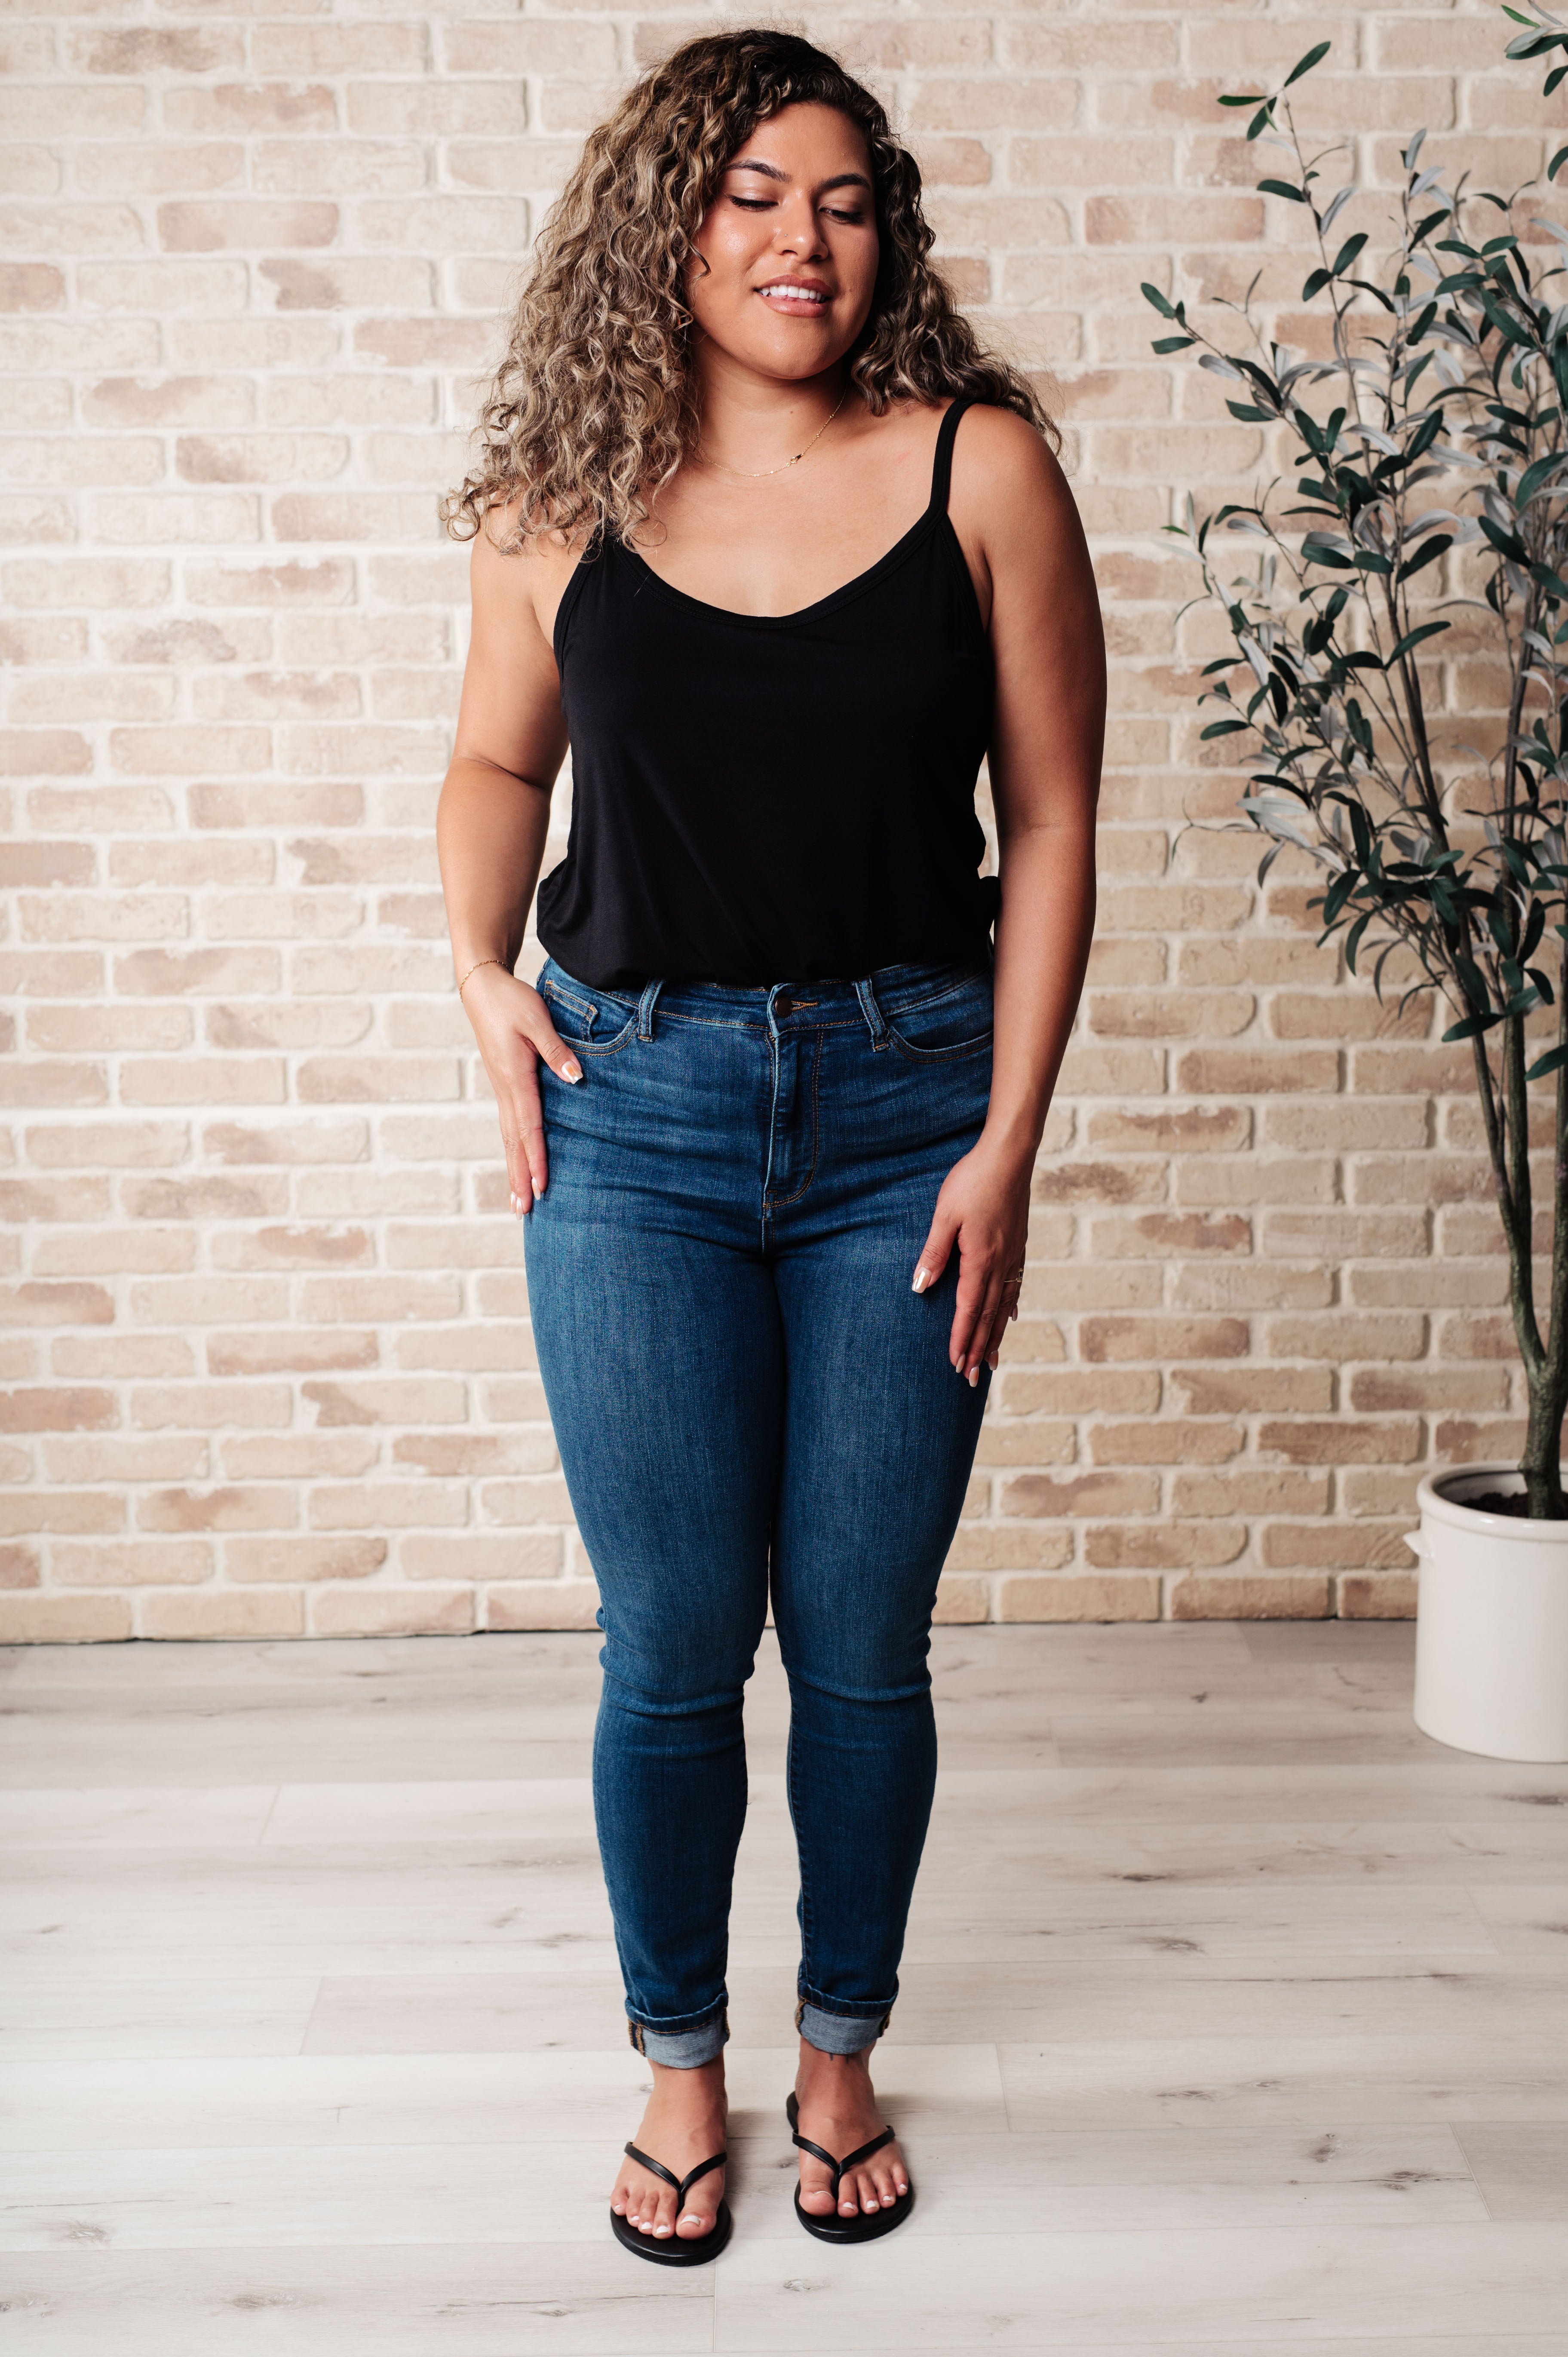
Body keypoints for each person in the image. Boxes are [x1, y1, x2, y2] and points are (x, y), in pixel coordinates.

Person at [436, 28, 1103, 2264]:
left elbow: (1063, 817)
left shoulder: (981, 469)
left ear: (882, 227)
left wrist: (1010, 1137)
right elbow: (491, 772)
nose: (797, 239)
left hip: (911, 1111)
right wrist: (473, 969)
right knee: (667, 1640)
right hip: (626, 1116)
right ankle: (675, 2068)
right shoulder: (566, 498)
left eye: (836, 196)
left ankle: (835, 2049)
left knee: (864, 1638)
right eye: (746, 196)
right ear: (669, 225)